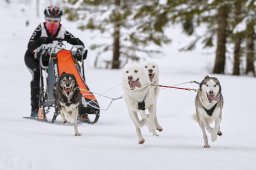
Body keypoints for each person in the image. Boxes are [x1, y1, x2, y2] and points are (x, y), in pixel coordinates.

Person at [24, 5, 88, 121]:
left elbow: (77, 41)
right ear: (45, 19)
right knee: (37, 77)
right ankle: (35, 109)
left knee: (63, 75)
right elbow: (30, 46)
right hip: (33, 58)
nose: (52, 24)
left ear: (60, 21)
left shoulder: (62, 31)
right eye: (49, 20)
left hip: (50, 58)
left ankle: (76, 106)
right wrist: (43, 40)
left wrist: (80, 49)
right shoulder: (40, 29)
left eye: (55, 21)